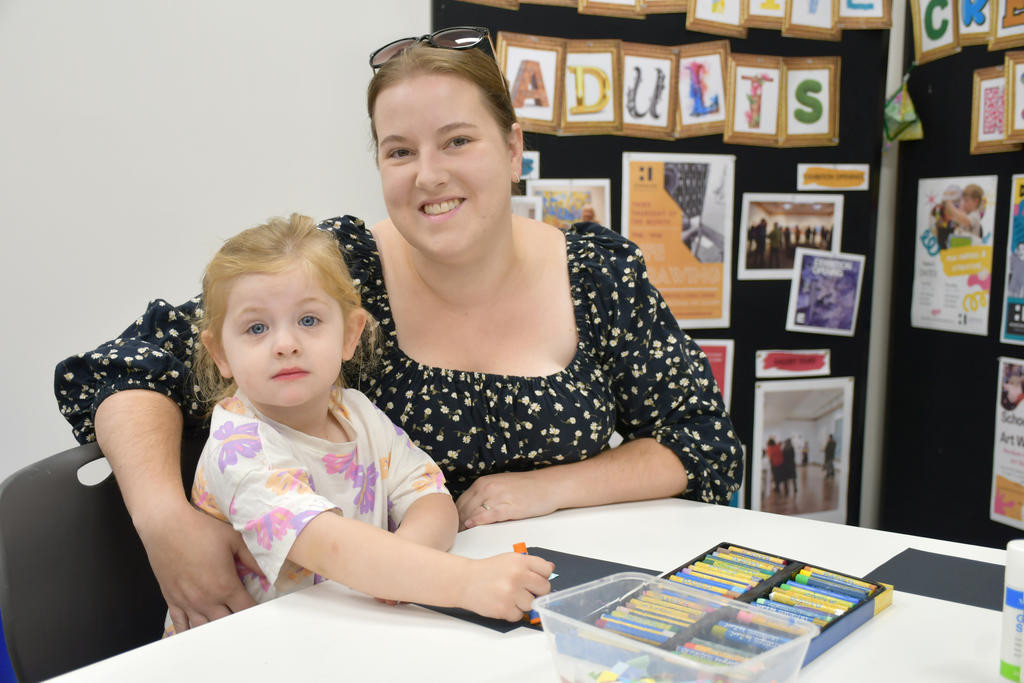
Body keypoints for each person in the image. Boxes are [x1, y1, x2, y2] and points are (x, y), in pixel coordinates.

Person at [53, 28, 742, 632]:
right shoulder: (337, 274)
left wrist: (551, 484)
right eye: (399, 151)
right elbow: (129, 364)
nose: (429, 175)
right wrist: (163, 519)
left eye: (459, 140)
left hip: (539, 603)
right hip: (368, 620)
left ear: (511, 148)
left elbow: (703, 445)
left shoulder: (597, 276)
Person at [156, 213, 553, 635]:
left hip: (344, 635)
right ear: (220, 353)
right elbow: (332, 547)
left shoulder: (356, 411)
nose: (286, 344)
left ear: (350, 334)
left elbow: (430, 495)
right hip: (241, 655)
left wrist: (404, 561)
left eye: (308, 320)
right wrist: (467, 582)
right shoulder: (239, 448)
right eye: (257, 328)